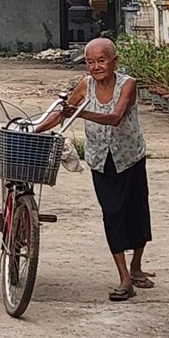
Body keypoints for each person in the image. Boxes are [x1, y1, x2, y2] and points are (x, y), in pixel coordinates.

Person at [36, 36, 151, 301]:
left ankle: (136, 266)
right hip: (101, 160)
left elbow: (115, 117)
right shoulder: (85, 85)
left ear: (114, 61)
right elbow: (62, 113)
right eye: (90, 62)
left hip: (130, 156)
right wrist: (36, 128)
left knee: (137, 212)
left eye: (101, 61)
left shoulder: (128, 84)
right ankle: (124, 278)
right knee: (112, 214)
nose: (96, 66)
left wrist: (78, 113)